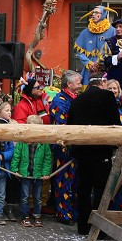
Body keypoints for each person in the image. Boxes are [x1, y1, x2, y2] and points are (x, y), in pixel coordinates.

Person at [67, 77, 122, 236]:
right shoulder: (107, 97)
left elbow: (70, 124)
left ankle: (83, 226)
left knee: (83, 189)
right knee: (102, 189)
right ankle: (100, 229)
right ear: (102, 84)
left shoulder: (77, 100)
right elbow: (114, 122)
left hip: (82, 151)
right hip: (101, 150)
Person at [48, 71, 81, 224]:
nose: (80, 85)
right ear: (69, 84)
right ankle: (63, 212)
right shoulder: (59, 100)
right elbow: (61, 124)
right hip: (63, 147)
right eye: (78, 82)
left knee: (75, 182)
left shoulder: (76, 99)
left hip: (75, 146)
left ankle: (73, 212)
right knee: (63, 181)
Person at [12, 114, 52, 227]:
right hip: (25, 173)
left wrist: (46, 172)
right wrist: (15, 169)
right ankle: (25, 216)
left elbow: (47, 159)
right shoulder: (22, 142)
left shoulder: (43, 143)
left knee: (37, 197)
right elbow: (17, 155)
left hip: (38, 174)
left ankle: (37, 215)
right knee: (24, 196)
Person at [74, 6, 116, 84]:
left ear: (103, 14)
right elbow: (79, 52)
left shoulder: (112, 31)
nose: (93, 14)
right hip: (89, 70)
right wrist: (88, 63)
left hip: (106, 69)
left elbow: (115, 50)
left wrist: (100, 63)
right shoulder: (85, 32)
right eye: (93, 12)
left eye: (96, 12)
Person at [100, 18, 122, 95]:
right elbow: (103, 62)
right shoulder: (110, 42)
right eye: (116, 27)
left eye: (120, 26)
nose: (118, 29)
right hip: (116, 79)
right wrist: (116, 57)